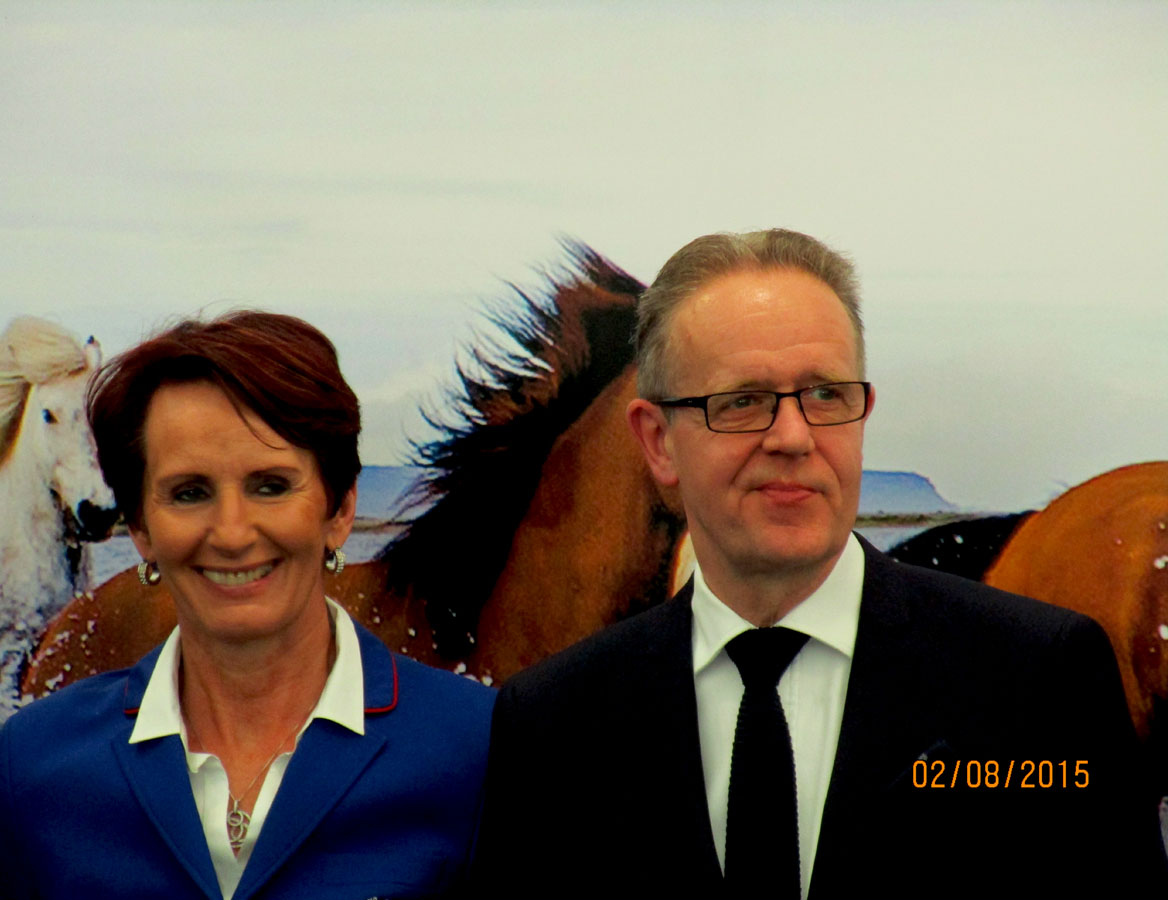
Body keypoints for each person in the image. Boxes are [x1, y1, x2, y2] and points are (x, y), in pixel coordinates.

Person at [472, 229, 1167, 897]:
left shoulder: (1042, 677)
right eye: (742, 401)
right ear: (658, 442)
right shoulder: (552, 721)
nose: (794, 437)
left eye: (826, 395)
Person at [0, 311, 494, 899]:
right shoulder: (37, 766)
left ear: (340, 509)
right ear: (141, 528)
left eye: (270, 486)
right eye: (189, 493)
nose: (231, 532)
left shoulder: (475, 749)